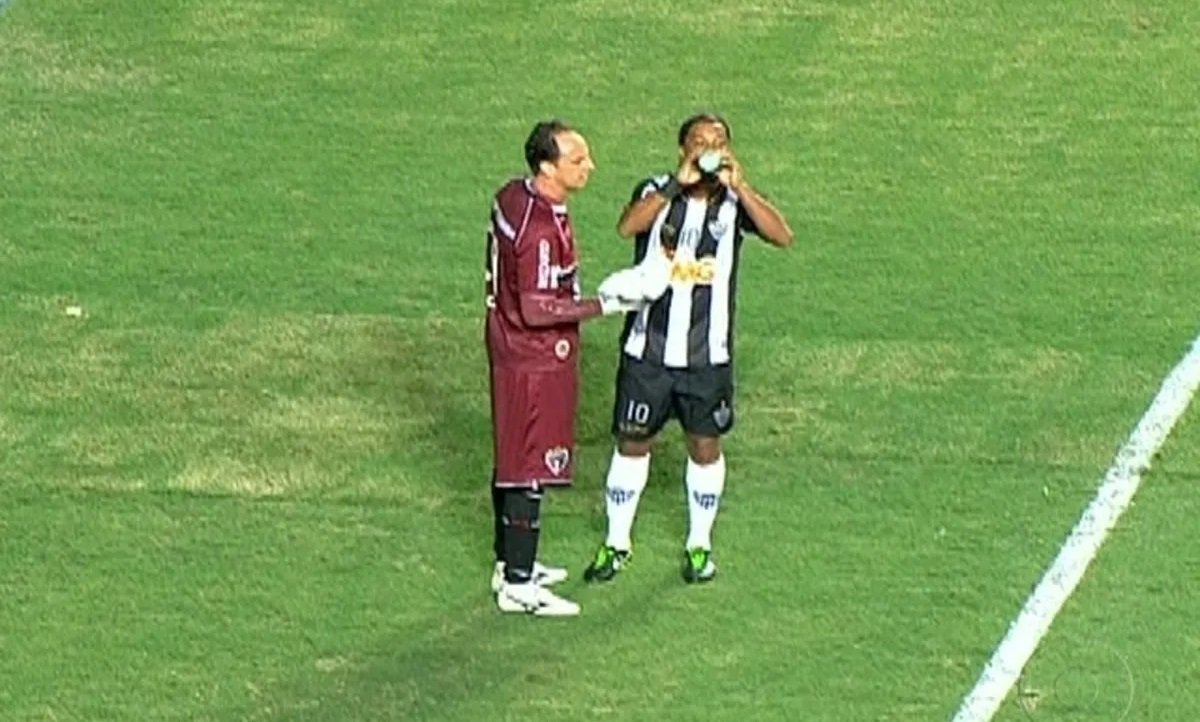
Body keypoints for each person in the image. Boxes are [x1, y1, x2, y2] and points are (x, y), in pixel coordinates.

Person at [583, 112, 795, 584]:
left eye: (718, 140)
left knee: (704, 445)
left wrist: (742, 188)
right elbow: (627, 226)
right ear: (682, 149)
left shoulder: (735, 202)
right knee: (633, 442)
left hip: (707, 358)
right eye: (699, 140)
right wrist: (676, 187)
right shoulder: (656, 190)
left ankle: (699, 544)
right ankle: (617, 542)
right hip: (648, 352)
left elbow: (782, 235)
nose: (708, 147)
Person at [485, 119, 642, 616]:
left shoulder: (514, 196)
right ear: (548, 166)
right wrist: (605, 305)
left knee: (513, 455)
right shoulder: (539, 231)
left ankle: (508, 560)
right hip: (532, 360)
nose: (589, 166)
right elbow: (536, 308)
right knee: (528, 467)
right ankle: (519, 584)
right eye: (578, 160)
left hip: (508, 347)